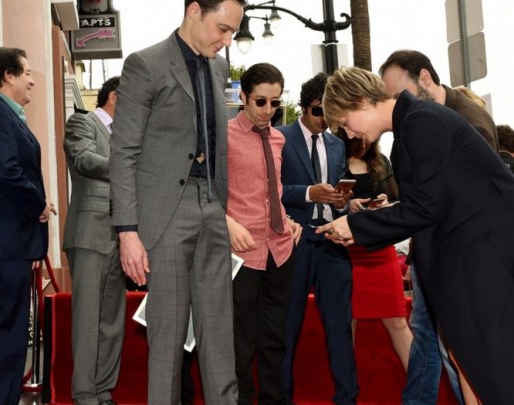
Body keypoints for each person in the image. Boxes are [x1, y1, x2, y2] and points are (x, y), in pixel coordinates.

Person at [317, 66, 514, 405]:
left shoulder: (421, 122)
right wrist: (363, 227)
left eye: (344, 122)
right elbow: (431, 206)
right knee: (472, 362)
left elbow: (426, 207)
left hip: (496, 262)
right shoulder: (412, 127)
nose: (348, 133)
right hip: (482, 261)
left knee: (495, 370)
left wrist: (356, 226)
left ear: (361, 100)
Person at [108, 1, 245, 403]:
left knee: (220, 335)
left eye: (233, 32)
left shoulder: (219, 68)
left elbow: (217, 146)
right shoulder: (145, 64)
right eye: (222, 28)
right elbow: (124, 152)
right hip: (164, 213)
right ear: (194, 11)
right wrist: (127, 232)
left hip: (211, 207)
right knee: (167, 339)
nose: (227, 41)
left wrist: (222, 209)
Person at [380, 49, 501, 404]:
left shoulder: (459, 118)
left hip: (459, 253)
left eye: (397, 93)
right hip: (434, 248)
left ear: (425, 79)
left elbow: (465, 196)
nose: (394, 103)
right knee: (432, 337)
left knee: (457, 348)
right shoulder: (423, 120)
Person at [0, 46, 56, 405]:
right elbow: (8, 173)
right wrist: (39, 206)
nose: (32, 80)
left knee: (13, 334)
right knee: (8, 335)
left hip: (10, 244)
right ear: (9, 75)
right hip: (5, 245)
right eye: (27, 72)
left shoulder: (3, 114)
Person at [278, 72, 358, 405]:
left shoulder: (338, 144)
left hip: (332, 241)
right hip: (294, 242)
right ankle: (281, 398)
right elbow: (270, 192)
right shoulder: (280, 138)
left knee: (340, 325)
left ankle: (348, 398)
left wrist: (348, 201)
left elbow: (337, 191)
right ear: (305, 105)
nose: (323, 119)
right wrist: (310, 193)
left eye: (328, 112)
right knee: (288, 326)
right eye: (316, 110)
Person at [226, 62, 302, 405]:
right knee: (241, 341)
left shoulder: (279, 138)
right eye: (261, 102)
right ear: (243, 97)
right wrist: (226, 222)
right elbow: (205, 192)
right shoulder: (222, 137)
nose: (269, 110)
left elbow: (276, 190)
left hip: (281, 248)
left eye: (276, 102)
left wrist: (288, 221)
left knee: (275, 338)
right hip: (241, 251)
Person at [62, 76, 126, 405]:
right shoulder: (82, 122)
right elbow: (84, 159)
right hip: (90, 233)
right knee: (88, 320)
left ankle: (103, 392)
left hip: (124, 237)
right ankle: (85, 396)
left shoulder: (130, 137)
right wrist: (127, 167)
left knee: (112, 322)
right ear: (115, 96)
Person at [341, 136, 412, 371]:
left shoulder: (381, 161)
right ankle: (347, 392)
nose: (364, 143)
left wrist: (384, 201)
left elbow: (397, 198)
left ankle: (421, 392)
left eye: (369, 140)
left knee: (398, 321)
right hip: (345, 250)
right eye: (358, 139)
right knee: (346, 322)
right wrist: (345, 206)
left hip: (380, 249)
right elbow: (323, 200)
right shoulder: (333, 158)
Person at [379, 49, 498, 151]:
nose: (397, 106)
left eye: (399, 97)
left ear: (425, 78)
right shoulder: (430, 120)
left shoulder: (470, 123)